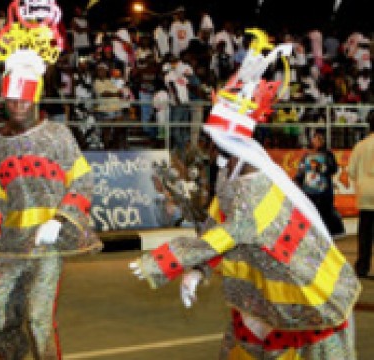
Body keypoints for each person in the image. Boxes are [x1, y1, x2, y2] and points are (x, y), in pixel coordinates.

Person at [130, 29, 360, 360]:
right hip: (260, 294)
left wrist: (169, 259)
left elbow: (235, 231)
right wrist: (199, 271)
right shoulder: (229, 176)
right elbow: (215, 225)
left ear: (229, 143)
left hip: (306, 295)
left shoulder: (256, 183)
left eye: (212, 140)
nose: (207, 148)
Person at [0, 2, 102, 358]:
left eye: (24, 95)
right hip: (11, 244)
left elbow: (83, 183)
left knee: (37, 320)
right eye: (11, 96)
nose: (17, 102)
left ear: (36, 94)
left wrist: (60, 218)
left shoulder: (58, 135)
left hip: (47, 244)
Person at [295, 131, 345, 237]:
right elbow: (301, 169)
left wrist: (320, 167)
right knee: (310, 211)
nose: (316, 141)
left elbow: (333, 169)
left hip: (324, 189)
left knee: (326, 211)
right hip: (309, 189)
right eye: (315, 138)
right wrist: (298, 179)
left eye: (319, 139)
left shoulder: (327, 154)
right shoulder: (307, 155)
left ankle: (332, 232)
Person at [348, 116, 374, 278]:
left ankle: (362, 267)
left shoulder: (360, 146)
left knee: (365, 233)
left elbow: (351, 171)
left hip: (365, 193)